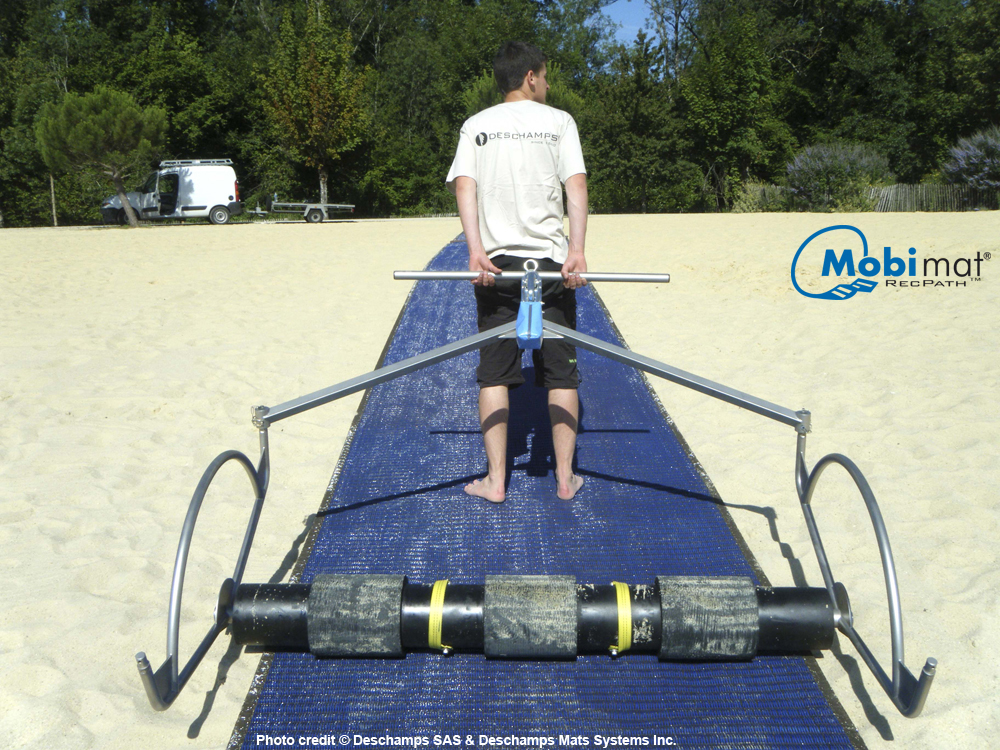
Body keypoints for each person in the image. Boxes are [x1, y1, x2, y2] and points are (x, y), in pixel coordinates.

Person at [446, 40, 589, 504]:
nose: (547, 84)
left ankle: (496, 481)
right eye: (545, 76)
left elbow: (464, 186)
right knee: (562, 376)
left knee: (494, 375)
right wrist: (578, 252)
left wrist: (474, 252)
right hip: (551, 265)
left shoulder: (477, 125)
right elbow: (577, 185)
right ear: (530, 76)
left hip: (498, 265)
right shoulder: (559, 122)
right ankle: (565, 479)